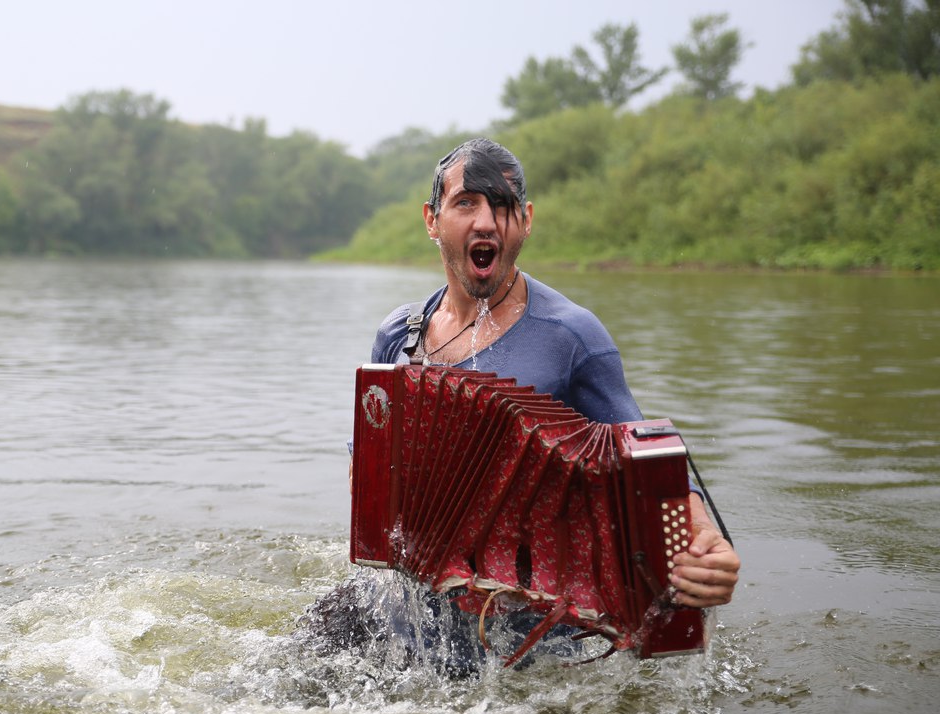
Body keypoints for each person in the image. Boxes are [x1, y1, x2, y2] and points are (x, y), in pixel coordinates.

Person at [304, 138, 739, 672]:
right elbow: (364, 469)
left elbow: (647, 457)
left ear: (526, 220)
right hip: (402, 613)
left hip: (523, 640)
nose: (486, 221)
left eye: (503, 205)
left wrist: (704, 541)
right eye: (466, 203)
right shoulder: (399, 336)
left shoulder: (572, 337)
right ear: (432, 220)